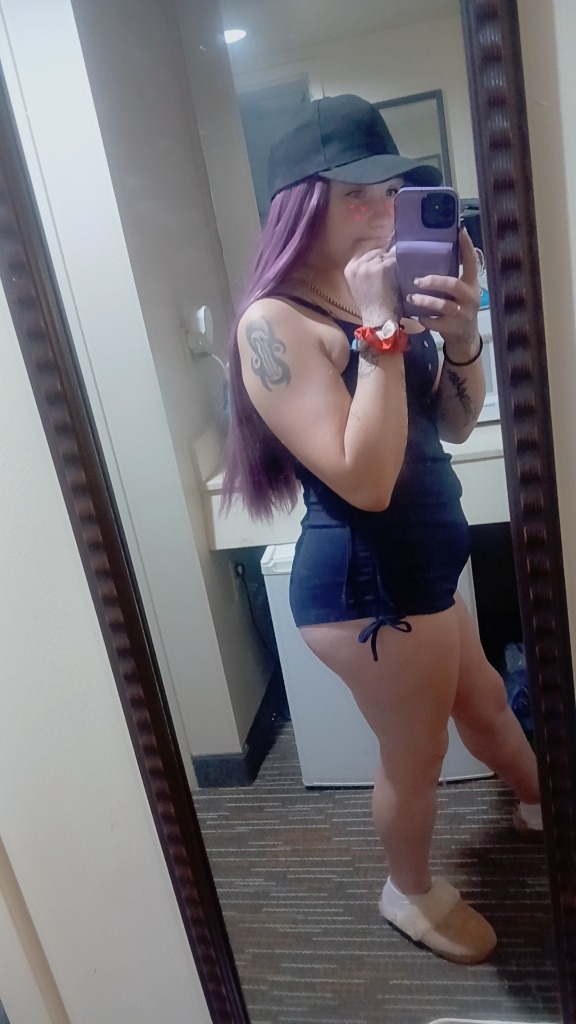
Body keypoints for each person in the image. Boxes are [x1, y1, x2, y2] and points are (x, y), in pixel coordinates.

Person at [222, 94, 542, 965]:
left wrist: (462, 333)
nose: (381, 210)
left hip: (421, 571)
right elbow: (364, 480)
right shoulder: (275, 323)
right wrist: (380, 329)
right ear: (301, 207)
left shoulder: (377, 300)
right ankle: (408, 893)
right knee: (417, 754)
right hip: (368, 585)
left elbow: (454, 427)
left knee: (484, 699)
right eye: (356, 194)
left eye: (392, 192)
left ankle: (539, 802)